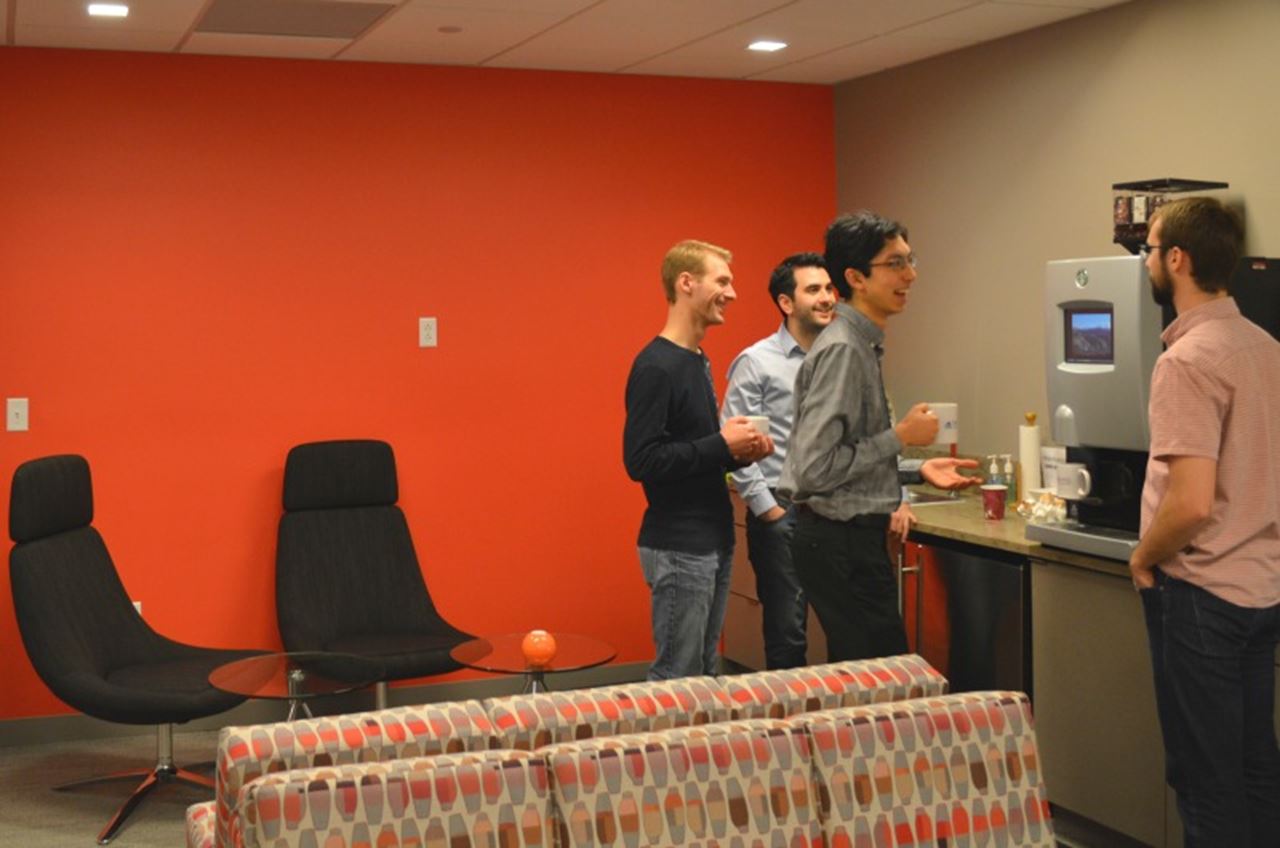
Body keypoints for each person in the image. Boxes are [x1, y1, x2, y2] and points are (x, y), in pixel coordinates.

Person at [1128, 197, 1280, 847]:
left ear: (1177, 259)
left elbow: (1190, 503)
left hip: (1203, 596)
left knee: (1205, 782)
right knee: (1254, 768)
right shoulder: (1266, 349)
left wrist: (1142, 557)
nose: (1145, 262)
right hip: (1263, 590)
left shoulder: (1186, 362)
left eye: (1149, 249)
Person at [779, 210, 979, 662]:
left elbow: (846, 454)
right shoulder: (844, 350)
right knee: (881, 679)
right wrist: (900, 437)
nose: (910, 275)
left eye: (910, 260)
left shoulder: (859, 344)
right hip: (840, 542)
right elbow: (813, 469)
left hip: (848, 539)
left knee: (874, 676)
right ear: (856, 278)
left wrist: (915, 468)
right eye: (895, 264)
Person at [623, 240, 774, 680]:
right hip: (680, 545)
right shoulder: (656, 366)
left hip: (713, 539)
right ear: (686, 283)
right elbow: (641, 461)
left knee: (704, 675)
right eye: (722, 281)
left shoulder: (696, 360)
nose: (733, 293)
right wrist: (722, 445)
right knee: (677, 679)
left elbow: (695, 452)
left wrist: (740, 452)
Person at [722, 253, 838, 669]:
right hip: (782, 509)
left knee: (845, 630)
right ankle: (786, 714)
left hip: (836, 511)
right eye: (814, 290)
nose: (827, 298)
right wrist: (767, 509)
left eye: (829, 288)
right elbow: (735, 442)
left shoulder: (842, 357)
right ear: (786, 303)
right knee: (787, 633)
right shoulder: (757, 362)